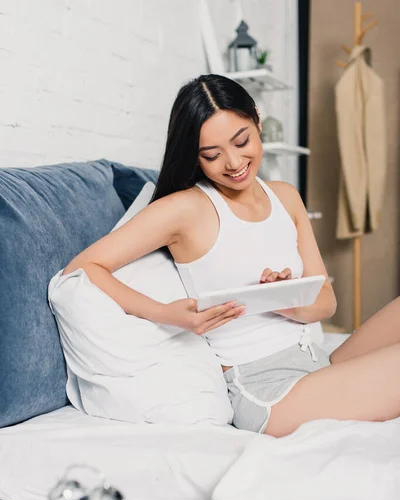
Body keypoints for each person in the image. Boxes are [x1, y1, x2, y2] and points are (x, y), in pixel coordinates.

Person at [63, 74, 400, 438]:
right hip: (268, 392)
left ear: (257, 119)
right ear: (194, 155)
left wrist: (285, 298)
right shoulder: (185, 209)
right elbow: (82, 268)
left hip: (317, 363)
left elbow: (325, 303)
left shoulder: (286, 197)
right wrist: (165, 314)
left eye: (242, 141)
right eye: (211, 154)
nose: (234, 162)